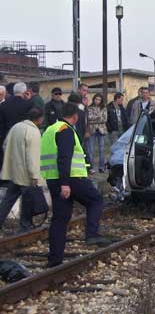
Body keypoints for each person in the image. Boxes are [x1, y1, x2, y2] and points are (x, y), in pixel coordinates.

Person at [42, 102, 111, 267]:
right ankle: (92, 234)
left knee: (60, 219)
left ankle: (55, 259)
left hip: (53, 179)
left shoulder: (50, 130)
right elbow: (64, 158)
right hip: (72, 179)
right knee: (95, 200)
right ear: (75, 116)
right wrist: (66, 184)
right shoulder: (65, 130)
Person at [0, 108, 44, 233]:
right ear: (40, 119)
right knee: (27, 201)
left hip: (14, 173)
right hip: (26, 175)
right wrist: (35, 175)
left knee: (8, 200)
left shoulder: (16, 127)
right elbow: (32, 156)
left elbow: (5, 144)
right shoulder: (33, 132)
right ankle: (25, 227)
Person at [67, 93, 93, 173]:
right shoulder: (65, 111)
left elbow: (83, 124)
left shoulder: (81, 112)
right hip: (69, 135)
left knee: (82, 152)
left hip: (79, 135)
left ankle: (86, 168)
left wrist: (84, 133)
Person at [86, 94, 108, 173]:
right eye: (96, 99)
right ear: (93, 99)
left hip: (101, 130)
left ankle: (101, 167)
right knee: (90, 149)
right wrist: (98, 117)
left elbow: (105, 119)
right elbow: (89, 118)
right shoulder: (89, 108)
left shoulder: (104, 108)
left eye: (99, 100)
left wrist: (95, 117)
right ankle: (91, 167)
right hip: (92, 130)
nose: (97, 101)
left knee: (101, 149)